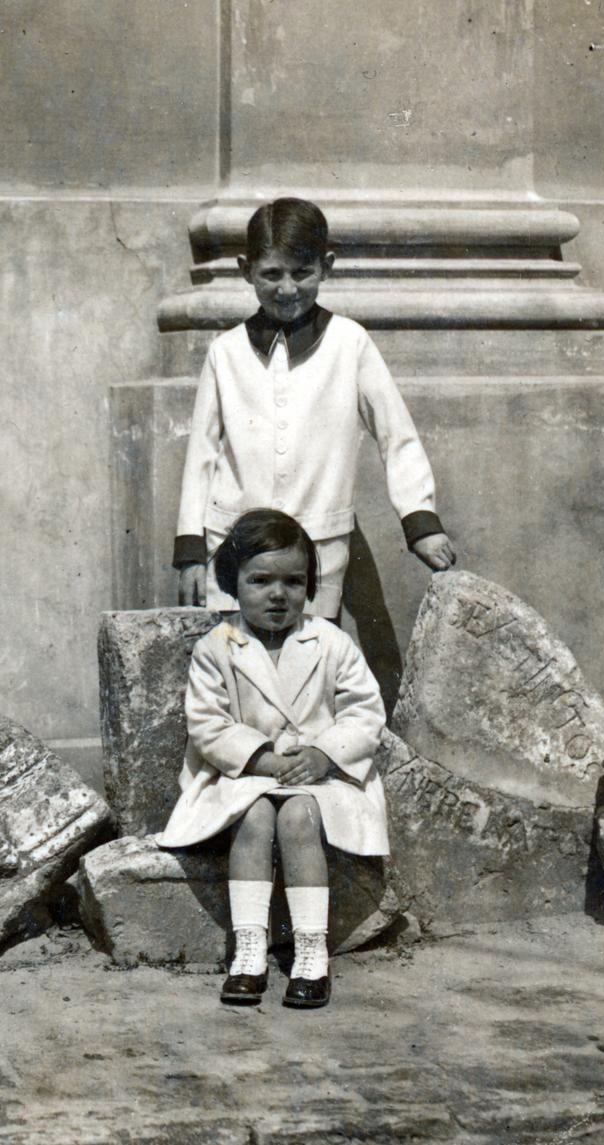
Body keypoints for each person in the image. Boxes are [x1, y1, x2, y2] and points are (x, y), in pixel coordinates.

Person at [174, 197, 456, 621]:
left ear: (326, 267)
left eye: (302, 272)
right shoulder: (225, 352)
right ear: (246, 270)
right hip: (233, 544)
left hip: (319, 543)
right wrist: (191, 552)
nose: (287, 289)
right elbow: (201, 455)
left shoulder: (350, 343)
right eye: (272, 274)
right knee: (234, 652)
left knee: (311, 652)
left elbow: (397, 436)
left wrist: (421, 522)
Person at [158, 510, 389, 1009]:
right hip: (244, 775)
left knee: (301, 815)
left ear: (310, 587)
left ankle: (311, 951)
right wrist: (260, 759)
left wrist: (324, 754)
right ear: (232, 583)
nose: (278, 595)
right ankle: (249, 949)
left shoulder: (331, 642)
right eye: (260, 581)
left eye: (293, 582)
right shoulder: (218, 647)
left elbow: (365, 712)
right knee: (254, 815)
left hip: (320, 778)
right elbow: (208, 723)